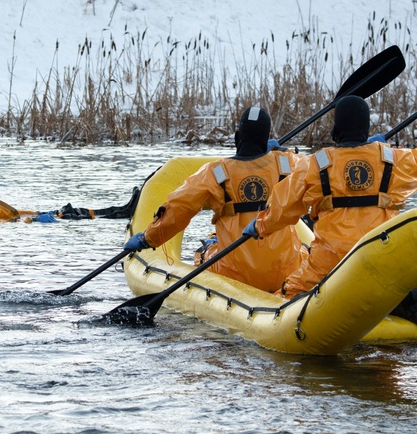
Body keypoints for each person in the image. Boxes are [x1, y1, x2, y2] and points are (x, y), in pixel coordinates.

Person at [244, 95, 417, 298]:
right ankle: (403, 298)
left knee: (286, 294)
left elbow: (282, 207)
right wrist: (384, 150)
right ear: (367, 128)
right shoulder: (394, 160)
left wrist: (260, 225)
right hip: (382, 254)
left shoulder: (313, 164)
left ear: (334, 131)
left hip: (330, 263)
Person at [123, 106, 305, 294]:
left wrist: (149, 238)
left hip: (234, 275)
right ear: (267, 140)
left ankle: (210, 247)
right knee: (304, 249)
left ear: (236, 137)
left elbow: (177, 209)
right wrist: (285, 152)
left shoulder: (214, 173)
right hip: (287, 271)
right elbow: (318, 170)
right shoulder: (289, 163)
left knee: (204, 251)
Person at [0, 187, 139, 223]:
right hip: (30, 223)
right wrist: (33, 219)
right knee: (73, 216)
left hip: (31, 217)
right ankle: (123, 214)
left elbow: (14, 212)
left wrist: (36, 212)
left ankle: (123, 208)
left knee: (74, 210)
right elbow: (2, 222)